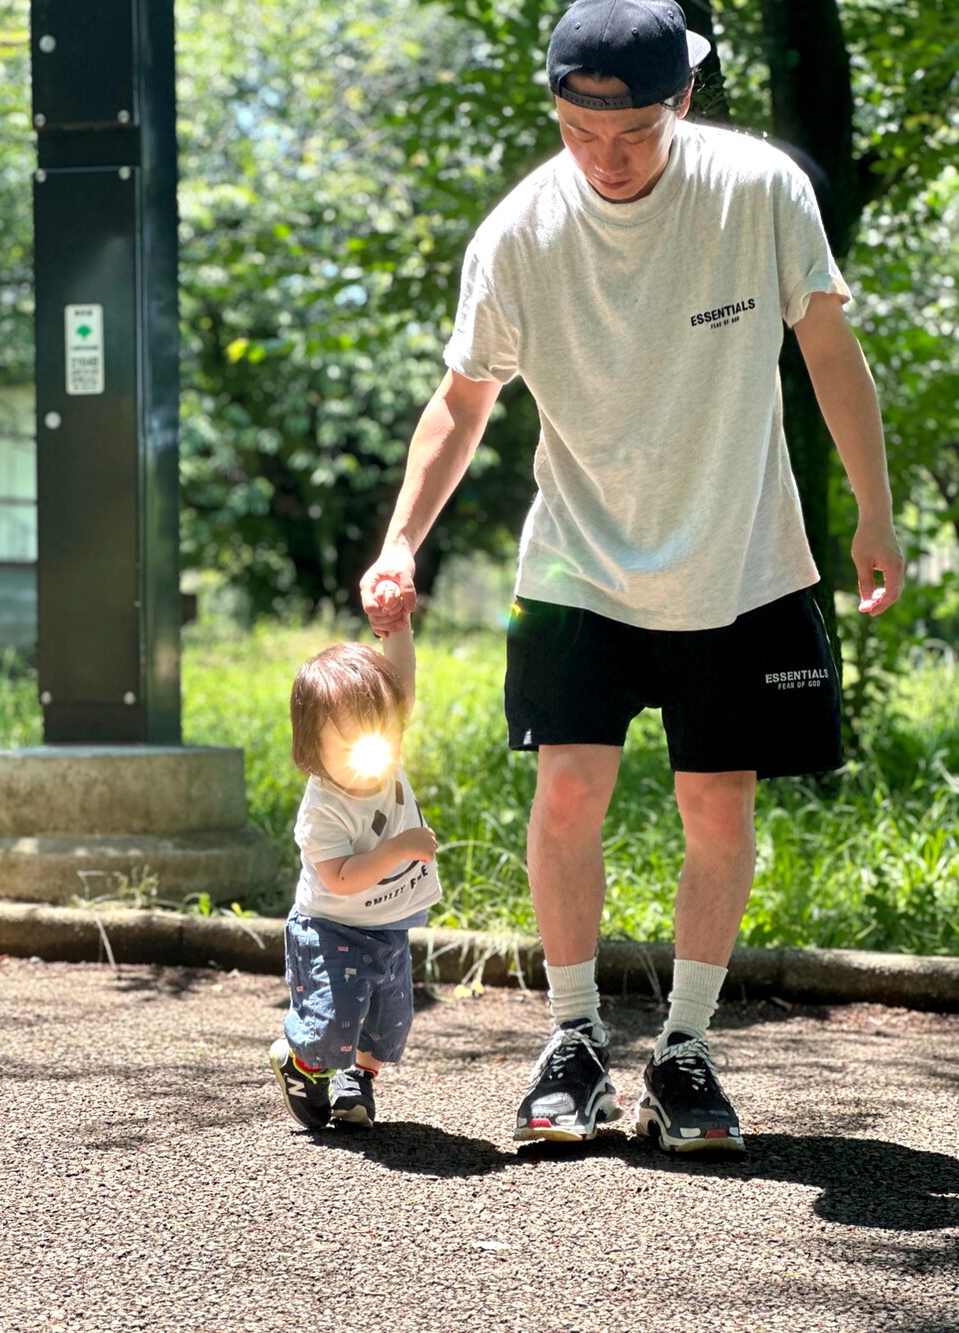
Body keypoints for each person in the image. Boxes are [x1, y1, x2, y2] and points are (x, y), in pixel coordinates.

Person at [360, 0, 905, 1153]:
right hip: (578, 558)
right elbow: (463, 401)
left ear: (684, 101)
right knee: (568, 790)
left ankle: (687, 1050)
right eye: (578, 132)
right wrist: (402, 538)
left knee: (717, 802)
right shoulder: (518, 233)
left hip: (738, 553)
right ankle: (570, 1043)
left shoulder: (759, 193)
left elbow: (825, 348)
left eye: (635, 135)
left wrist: (873, 508)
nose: (606, 161)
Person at [269, 583, 440, 1130]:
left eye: (379, 734)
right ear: (312, 750)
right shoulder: (323, 809)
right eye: (347, 747)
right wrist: (397, 850)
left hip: (390, 925)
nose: (370, 754)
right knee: (333, 1022)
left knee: (389, 1028)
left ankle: (357, 1077)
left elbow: (401, 685)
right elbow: (340, 879)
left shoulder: (384, 755)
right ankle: (301, 1061)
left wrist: (397, 630)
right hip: (330, 926)